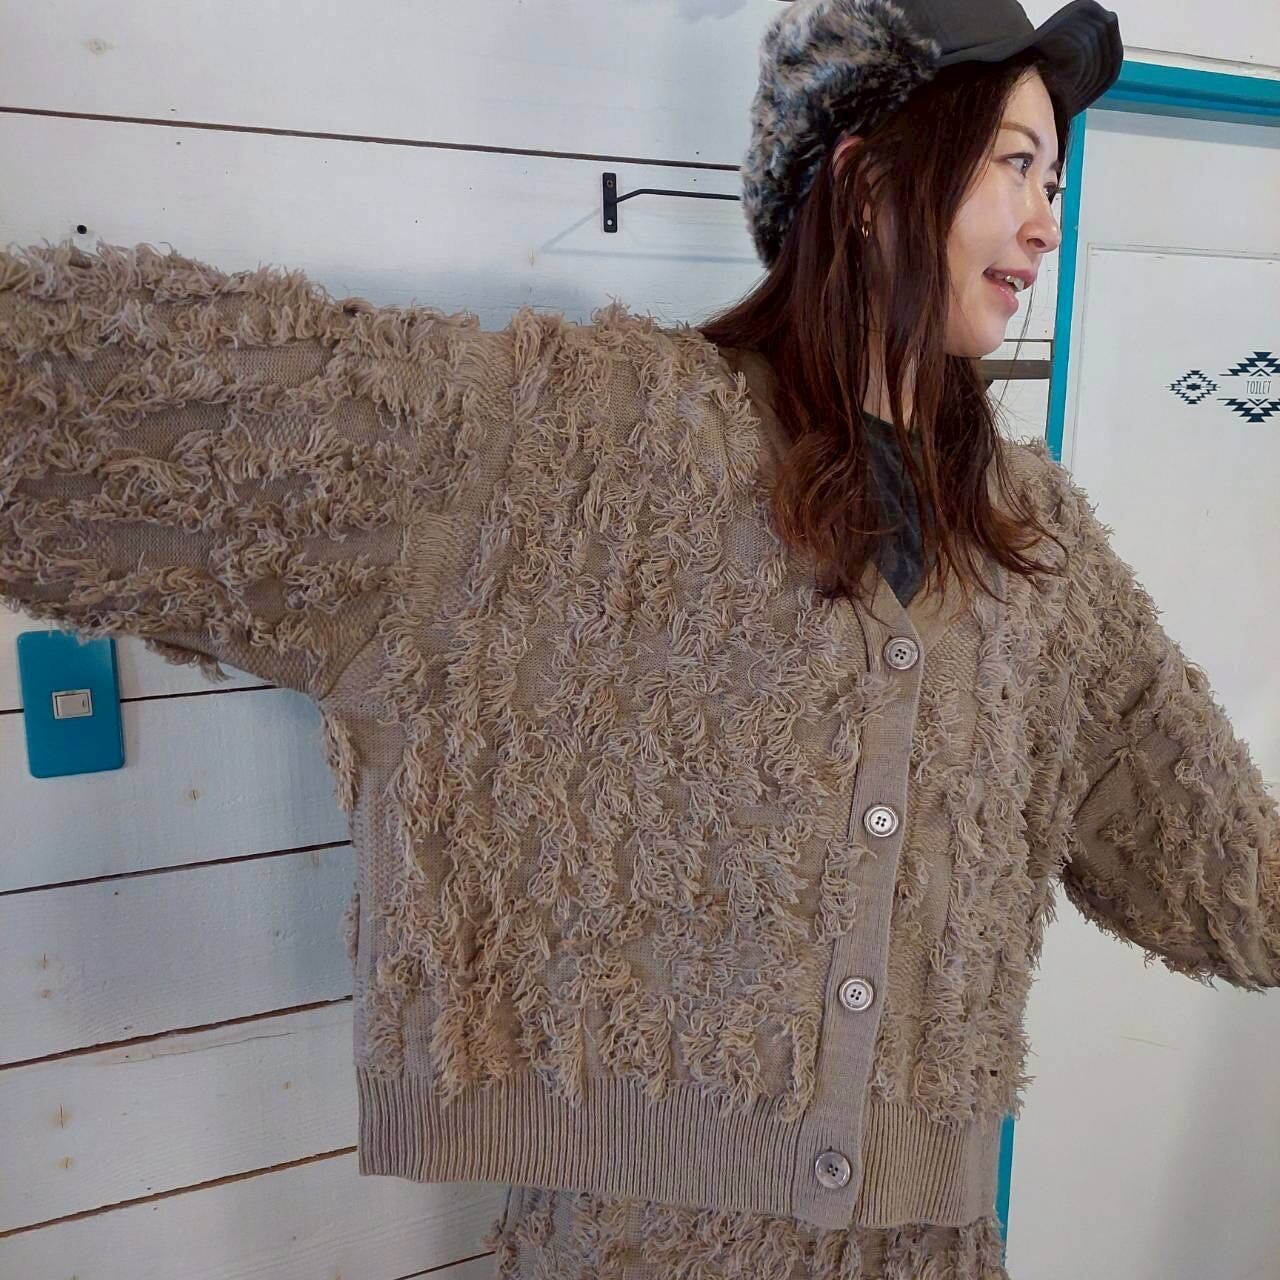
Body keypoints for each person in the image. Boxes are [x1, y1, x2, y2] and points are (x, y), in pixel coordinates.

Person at [2, 3, 1276, 1279]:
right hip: (631, 1248)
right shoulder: (577, 441)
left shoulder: (1035, 547)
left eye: (1052, 179)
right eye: (1012, 164)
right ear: (867, 182)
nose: (1046, 218)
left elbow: (1217, 861)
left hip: (927, 1253)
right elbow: (162, 410)